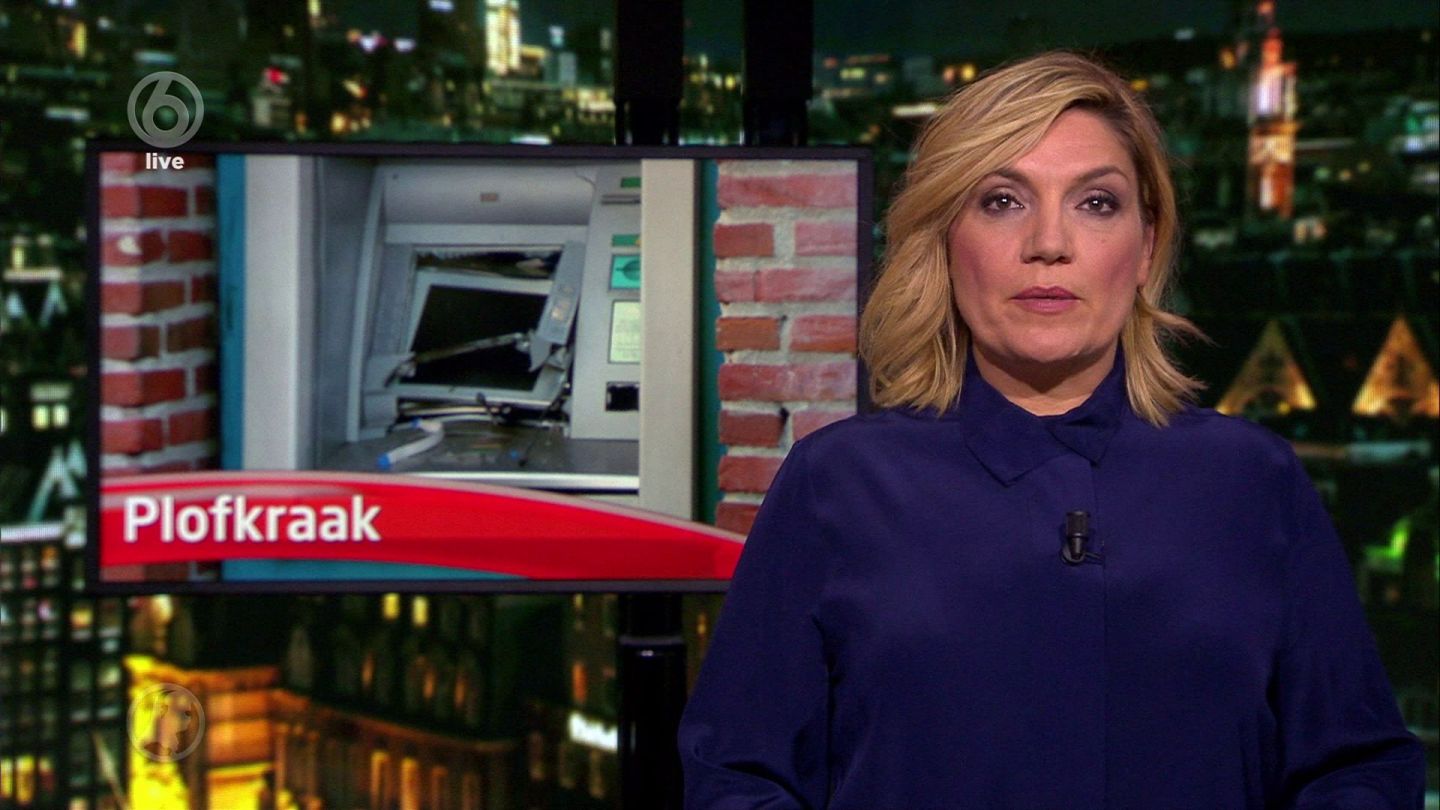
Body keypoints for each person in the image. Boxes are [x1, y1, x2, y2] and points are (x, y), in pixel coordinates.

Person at [677, 52, 1425, 808]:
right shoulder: (836, 482)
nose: (1048, 242)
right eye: (1002, 201)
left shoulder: (1253, 480)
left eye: (1096, 203)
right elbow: (737, 775)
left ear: (1146, 246)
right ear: (945, 240)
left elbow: (1357, 767)